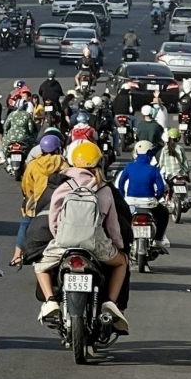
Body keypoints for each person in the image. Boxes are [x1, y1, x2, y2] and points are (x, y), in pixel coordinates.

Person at [34, 141, 129, 333]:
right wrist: (119, 246)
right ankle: (110, 302)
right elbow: (112, 226)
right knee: (122, 263)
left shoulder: (64, 186)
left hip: (65, 242)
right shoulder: (104, 189)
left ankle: (50, 301)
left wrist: (59, 237)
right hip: (96, 244)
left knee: (41, 265)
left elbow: (53, 218)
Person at [12, 133, 66, 267]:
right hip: (59, 202)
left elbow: (26, 185)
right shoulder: (64, 163)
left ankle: (17, 256)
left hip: (37, 202)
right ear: (58, 149)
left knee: (25, 224)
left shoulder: (33, 165)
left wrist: (30, 197)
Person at [116, 140, 170, 247]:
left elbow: (121, 183)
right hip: (149, 203)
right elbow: (160, 188)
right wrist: (156, 198)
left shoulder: (129, 166)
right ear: (150, 153)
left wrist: (123, 196)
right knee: (164, 213)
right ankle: (158, 240)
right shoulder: (153, 169)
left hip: (131, 203)